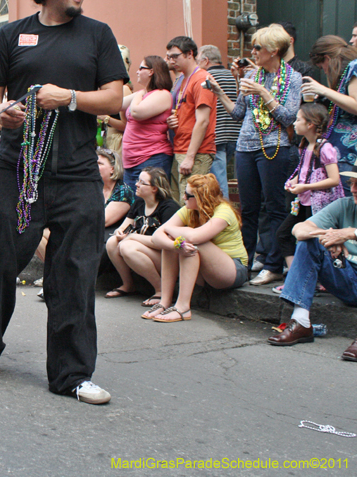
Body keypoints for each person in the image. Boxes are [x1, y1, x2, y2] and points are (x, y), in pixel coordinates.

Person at [0, 0, 128, 405]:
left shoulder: (97, 35)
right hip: (17, 171)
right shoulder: (12, 35)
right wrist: (2, 114)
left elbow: (115, 99)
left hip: (77, 176)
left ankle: (72, 375)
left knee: (75, 273)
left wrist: (69, 98)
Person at [209, 24, 302, 287]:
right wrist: (219, 92)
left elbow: (288, 117)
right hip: (245, 147)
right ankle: (245, 261)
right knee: (248, 209)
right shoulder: (253, 74)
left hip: (275, 146)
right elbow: (238, 113)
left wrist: (263, 93)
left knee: (274, 207)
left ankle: (273, 265)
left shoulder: (292, 78)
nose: (253, 52)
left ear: (273, 51)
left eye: (257, 47)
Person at [268, 161, 357, 362]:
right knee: (308, 242)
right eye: (351, 183)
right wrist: (327, 236)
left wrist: (350, 234)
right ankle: (301, 322)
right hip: (348, 278)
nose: (353, 189)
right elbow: (299, 228)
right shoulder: (345, 205)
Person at [142, 174, 248, 322]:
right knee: (174, 243)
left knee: (189, 242)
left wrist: (175, 233)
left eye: (188, 195)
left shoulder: (224, 211)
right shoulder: (189, 209)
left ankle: (183, 308)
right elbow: (157, 235)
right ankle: (164, 302)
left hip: (232, 270)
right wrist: (174, 244)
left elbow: (195, 237)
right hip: (204, 271)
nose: (184, 197)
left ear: (202, 198)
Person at [274, 103, 344, 293]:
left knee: (317, 241)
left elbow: (334, 179)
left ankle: (320, 279)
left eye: (298, 119)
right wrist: (295, 182)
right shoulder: (304, 145)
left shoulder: (325, 148)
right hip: (303, 201)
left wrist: (306, 186)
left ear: (311, 124)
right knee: (284, 234)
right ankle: (297, 275)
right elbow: (304, 172)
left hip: (318, 205)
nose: (294, 123)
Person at [105, 167, 179, 304]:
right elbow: (124, 227)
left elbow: (165, 242)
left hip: (165, 257)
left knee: (127, 247)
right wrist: (120, 232)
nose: (136, 184)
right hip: (144, 250)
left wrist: (132, 237)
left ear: (154, 188)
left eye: (142, 182)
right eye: (138, 180)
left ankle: (161, 289)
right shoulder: (139, 202)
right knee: (111, 242)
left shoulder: (169, 208)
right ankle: (128, 284)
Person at [165, 36, 217, 200]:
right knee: (179, 202)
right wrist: (172, 120)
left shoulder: (201, 78)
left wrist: (190, 157)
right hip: (180, 146)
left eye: (175, 56)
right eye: (169, 57)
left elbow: (203, 121)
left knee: (191, 203)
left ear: (190, 54)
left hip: (196, 151)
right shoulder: (181, 78)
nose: (172, 61)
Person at [305, 35, 357, 190]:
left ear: (327, 58)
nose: (325, 71)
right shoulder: (346, 74)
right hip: (339, 155)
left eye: (322, 67)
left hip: (349, 155)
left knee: (346, 207)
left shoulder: (354, 67)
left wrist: (324, 90)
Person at [119, 55, 173, 188]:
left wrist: (138, 94)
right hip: (131, 161)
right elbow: (117, 104)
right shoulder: (144, 93)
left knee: (148, 204)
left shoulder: (162, 94)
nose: (137, 71)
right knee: (130, 204)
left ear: (151, 71)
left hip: (152, 158)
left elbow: (137, 112)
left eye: (141, 68)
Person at [197, 45, 239, 199]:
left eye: (198, 60)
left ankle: (224, 214)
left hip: (217, 133)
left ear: (206, 60)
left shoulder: (206, 77)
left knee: (218, 180)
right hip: (233, 133)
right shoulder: (231, 75)